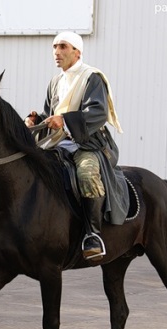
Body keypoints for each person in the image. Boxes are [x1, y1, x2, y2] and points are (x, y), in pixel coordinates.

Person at [25, 31, 128, 261]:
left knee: (87, 173)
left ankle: (93, 235)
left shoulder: (92, 77)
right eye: (54, 47)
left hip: (89, 144)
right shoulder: (55, 82)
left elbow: (97, 112)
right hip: (58, 143)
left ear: (77, 52)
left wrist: (64, 120)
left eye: (63, 47)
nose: (56, 52)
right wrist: (36, 119)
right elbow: (49, 115)